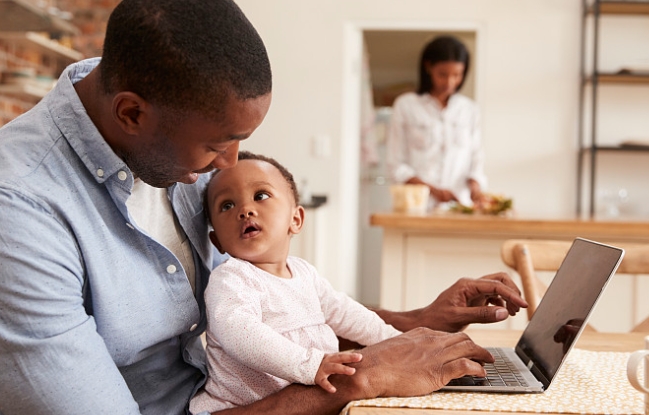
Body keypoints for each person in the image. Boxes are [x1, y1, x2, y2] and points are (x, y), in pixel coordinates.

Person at [0, 1, 527, 414]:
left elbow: (276, 311)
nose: (228, 165)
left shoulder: (168, 130)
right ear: (132, 114)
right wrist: (358, 380)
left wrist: (418, 322)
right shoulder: (20, 212)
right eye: (217, 145)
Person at [191, 151, 402, 413]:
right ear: (217, 242)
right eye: (227, 205)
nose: (245, 210)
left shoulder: (305, 273)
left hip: (307, 401)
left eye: (260, 196)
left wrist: (396, 341)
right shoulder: (231, 278)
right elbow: (240, 334)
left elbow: (348, 313)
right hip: (242, 407)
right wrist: (309, 365)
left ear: (296, 219)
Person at [386, 35, 487, 209]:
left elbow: (476, 158)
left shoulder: (469, 110)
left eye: (457, 75)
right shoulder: (406, 105)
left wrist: (475, 188)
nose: (450, 82)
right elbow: (395, 165)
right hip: (417, 207)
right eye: (442, 75)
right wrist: (432, 190)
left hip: (460, 207)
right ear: (428, 67)